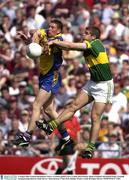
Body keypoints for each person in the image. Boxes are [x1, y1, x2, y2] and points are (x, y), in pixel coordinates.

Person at [36, 26, 114, 158]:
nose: (84, 34)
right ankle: (51, 126)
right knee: (72, 106)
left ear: (93, 37)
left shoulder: (94, 44)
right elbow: (68, 48)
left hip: (104, 85)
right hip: (93, 82)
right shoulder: (89, 44)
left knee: (95, 117)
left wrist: (55, 41)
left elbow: (70, 46)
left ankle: (90, 148)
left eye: (87, 33)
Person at [13, 19, 73, 150]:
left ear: (58, 31)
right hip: (44, 75)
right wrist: (28, 40)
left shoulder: (59, 40)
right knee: (49, 110)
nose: (49, 29)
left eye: (53, 27)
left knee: (36, 105)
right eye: (49, 26)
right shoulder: (45, 33)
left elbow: (52, 45)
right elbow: (33, 34)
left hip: (52, 76)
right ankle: (66, 137)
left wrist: (37, 37)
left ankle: (27, 136)